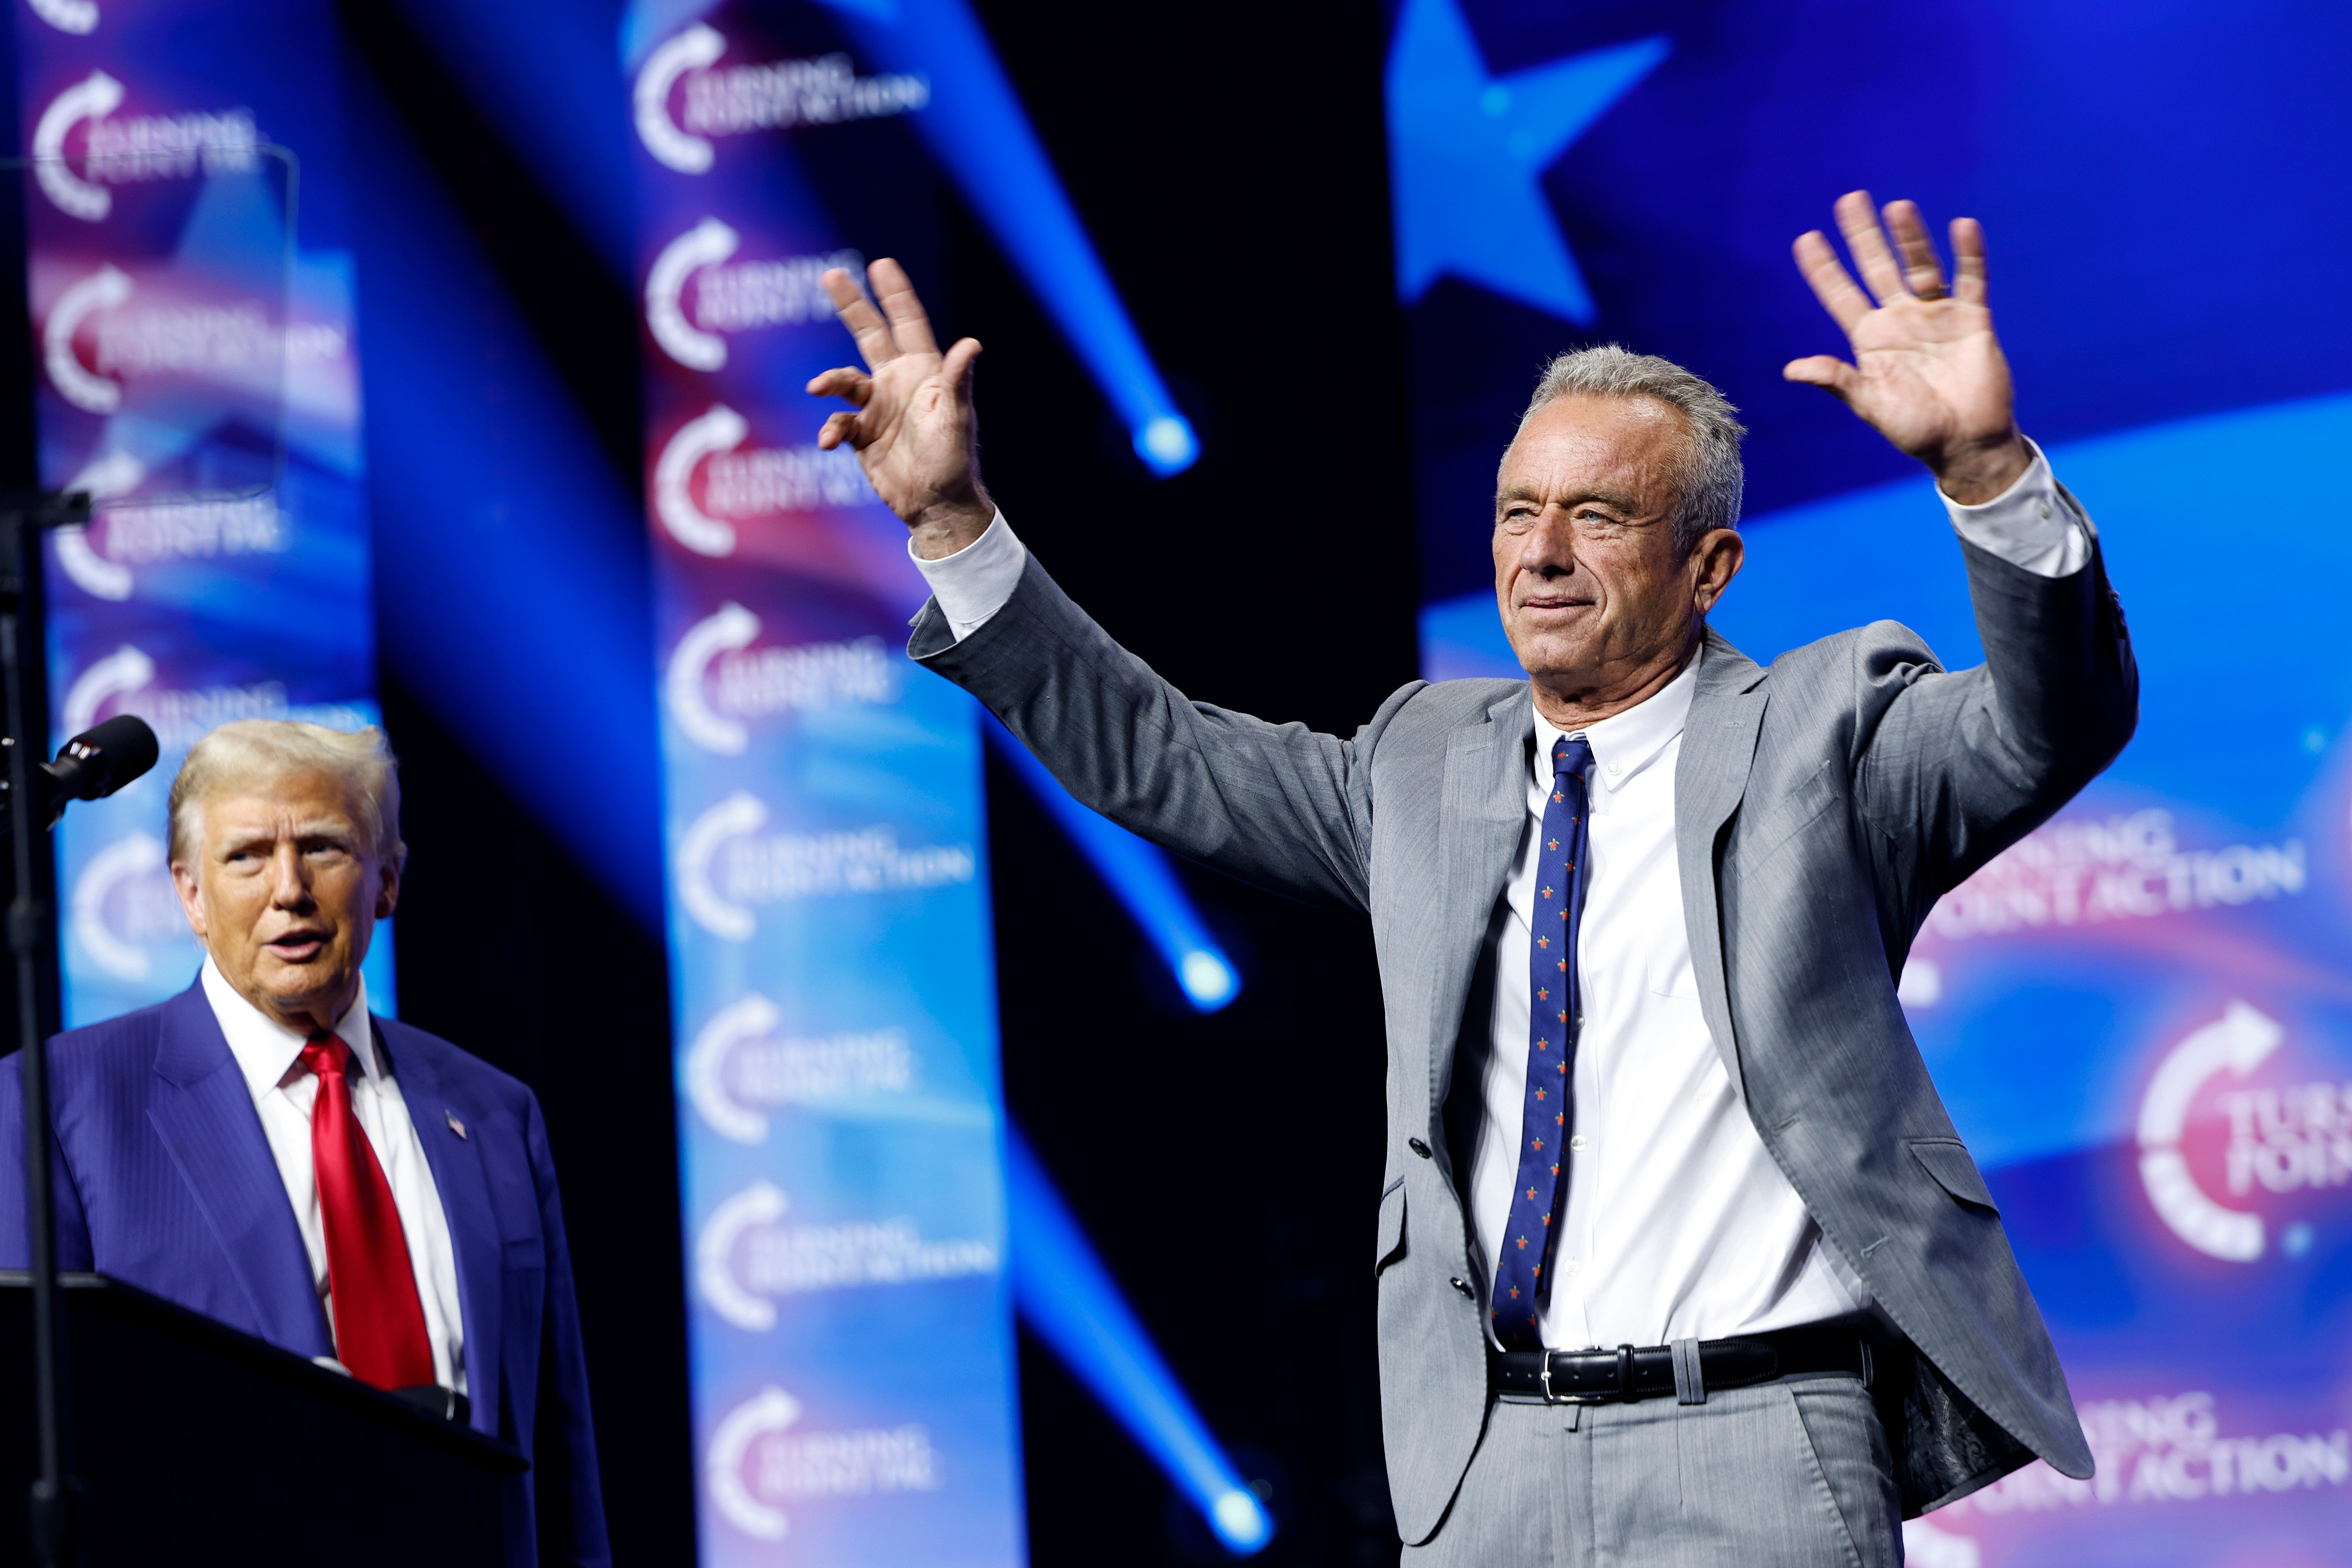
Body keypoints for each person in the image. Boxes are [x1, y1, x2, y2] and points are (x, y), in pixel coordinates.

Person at [806, 192, 2135, 1565]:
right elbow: (1159, 755)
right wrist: (956, 521)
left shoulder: (1833, 727)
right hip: (1486, 1460)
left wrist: (1985, 468)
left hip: (1754, 1439)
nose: (1542, 552)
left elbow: (2055, 721)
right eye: (1518, 511)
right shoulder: (1423, 758)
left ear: (1708, 567)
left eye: (1600, 516)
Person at [0, 720, 607, 1567]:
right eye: (246, 856)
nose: (288, 889)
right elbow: (35, 1438)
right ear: (191, 895)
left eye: (323, 848)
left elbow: (558, 1457)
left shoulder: (498, 1114)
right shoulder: (63, 1103)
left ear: (388, 879)